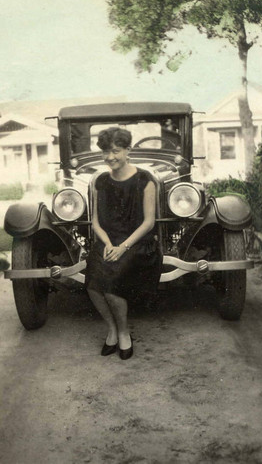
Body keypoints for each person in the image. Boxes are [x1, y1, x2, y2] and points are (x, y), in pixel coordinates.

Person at [85, 127, 162, 360]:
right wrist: (108, 243)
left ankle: (124, 332)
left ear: (128, 150)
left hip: (138, 242)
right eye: (106, 152)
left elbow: (149, 223)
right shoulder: (100, 182)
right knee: (92, 281)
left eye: (116, 151)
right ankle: (112, 329)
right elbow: (95, 222)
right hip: (110, 242)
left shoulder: (145, 180)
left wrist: (122, 247)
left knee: (111, 279)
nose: (110, 158)